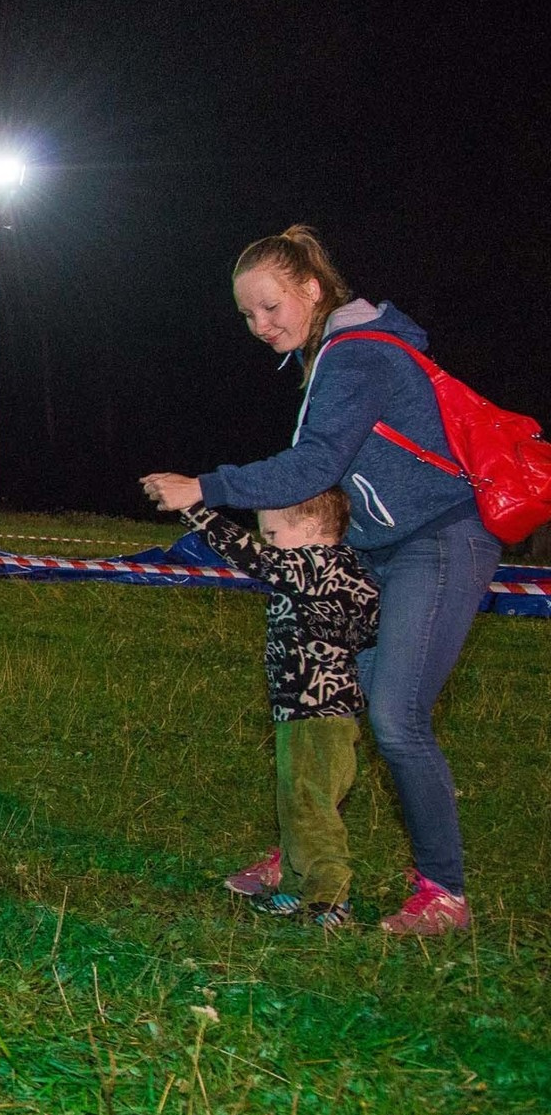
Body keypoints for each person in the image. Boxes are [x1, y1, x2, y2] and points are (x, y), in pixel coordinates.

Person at [142, 226, 500, 935]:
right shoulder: (332, 354)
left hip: (437, 540)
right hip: (377, 546)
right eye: (247, 314)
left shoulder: (358, 353)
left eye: (270, 306)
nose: (260, 325)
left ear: (311, 288)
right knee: (333, 702)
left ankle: (445, 893)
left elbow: (315, 467)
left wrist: (205, 487)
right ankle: (303, 855)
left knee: (396, 716)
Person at [173, 491, 381, 926]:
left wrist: (193, 510)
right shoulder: (343, 571)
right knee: (297, 804)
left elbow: (252, 558)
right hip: (306, 710)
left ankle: (329, 897)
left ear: (309, 528)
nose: (267, 543)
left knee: (311, 805)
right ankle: (294, 888)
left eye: (271, 534)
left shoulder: (319, 564)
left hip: (317, 711)